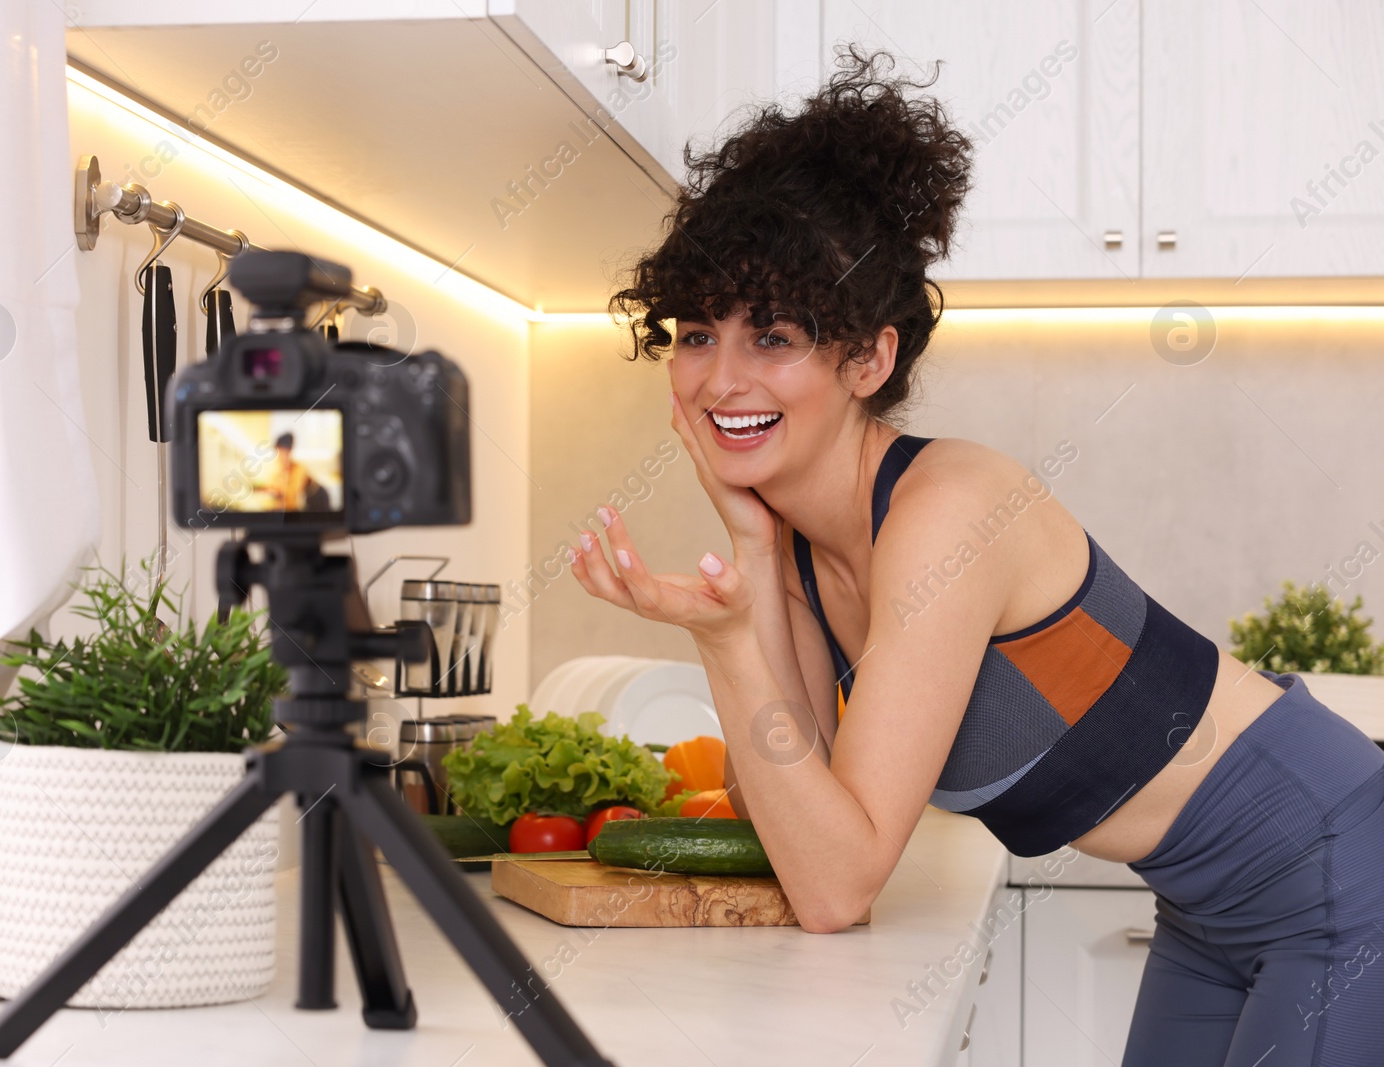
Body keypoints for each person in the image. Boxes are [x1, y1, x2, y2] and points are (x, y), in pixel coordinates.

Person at [570, 44, 1384, 1067]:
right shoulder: (797, 541)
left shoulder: (948, 508)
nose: (719, 377)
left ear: (870, 357)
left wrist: (728, 640)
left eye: (771, 335)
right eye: (695, 333)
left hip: (1339, 874)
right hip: (1205, 908)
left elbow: (837, 882)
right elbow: (795, 821)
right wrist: (748, 574)